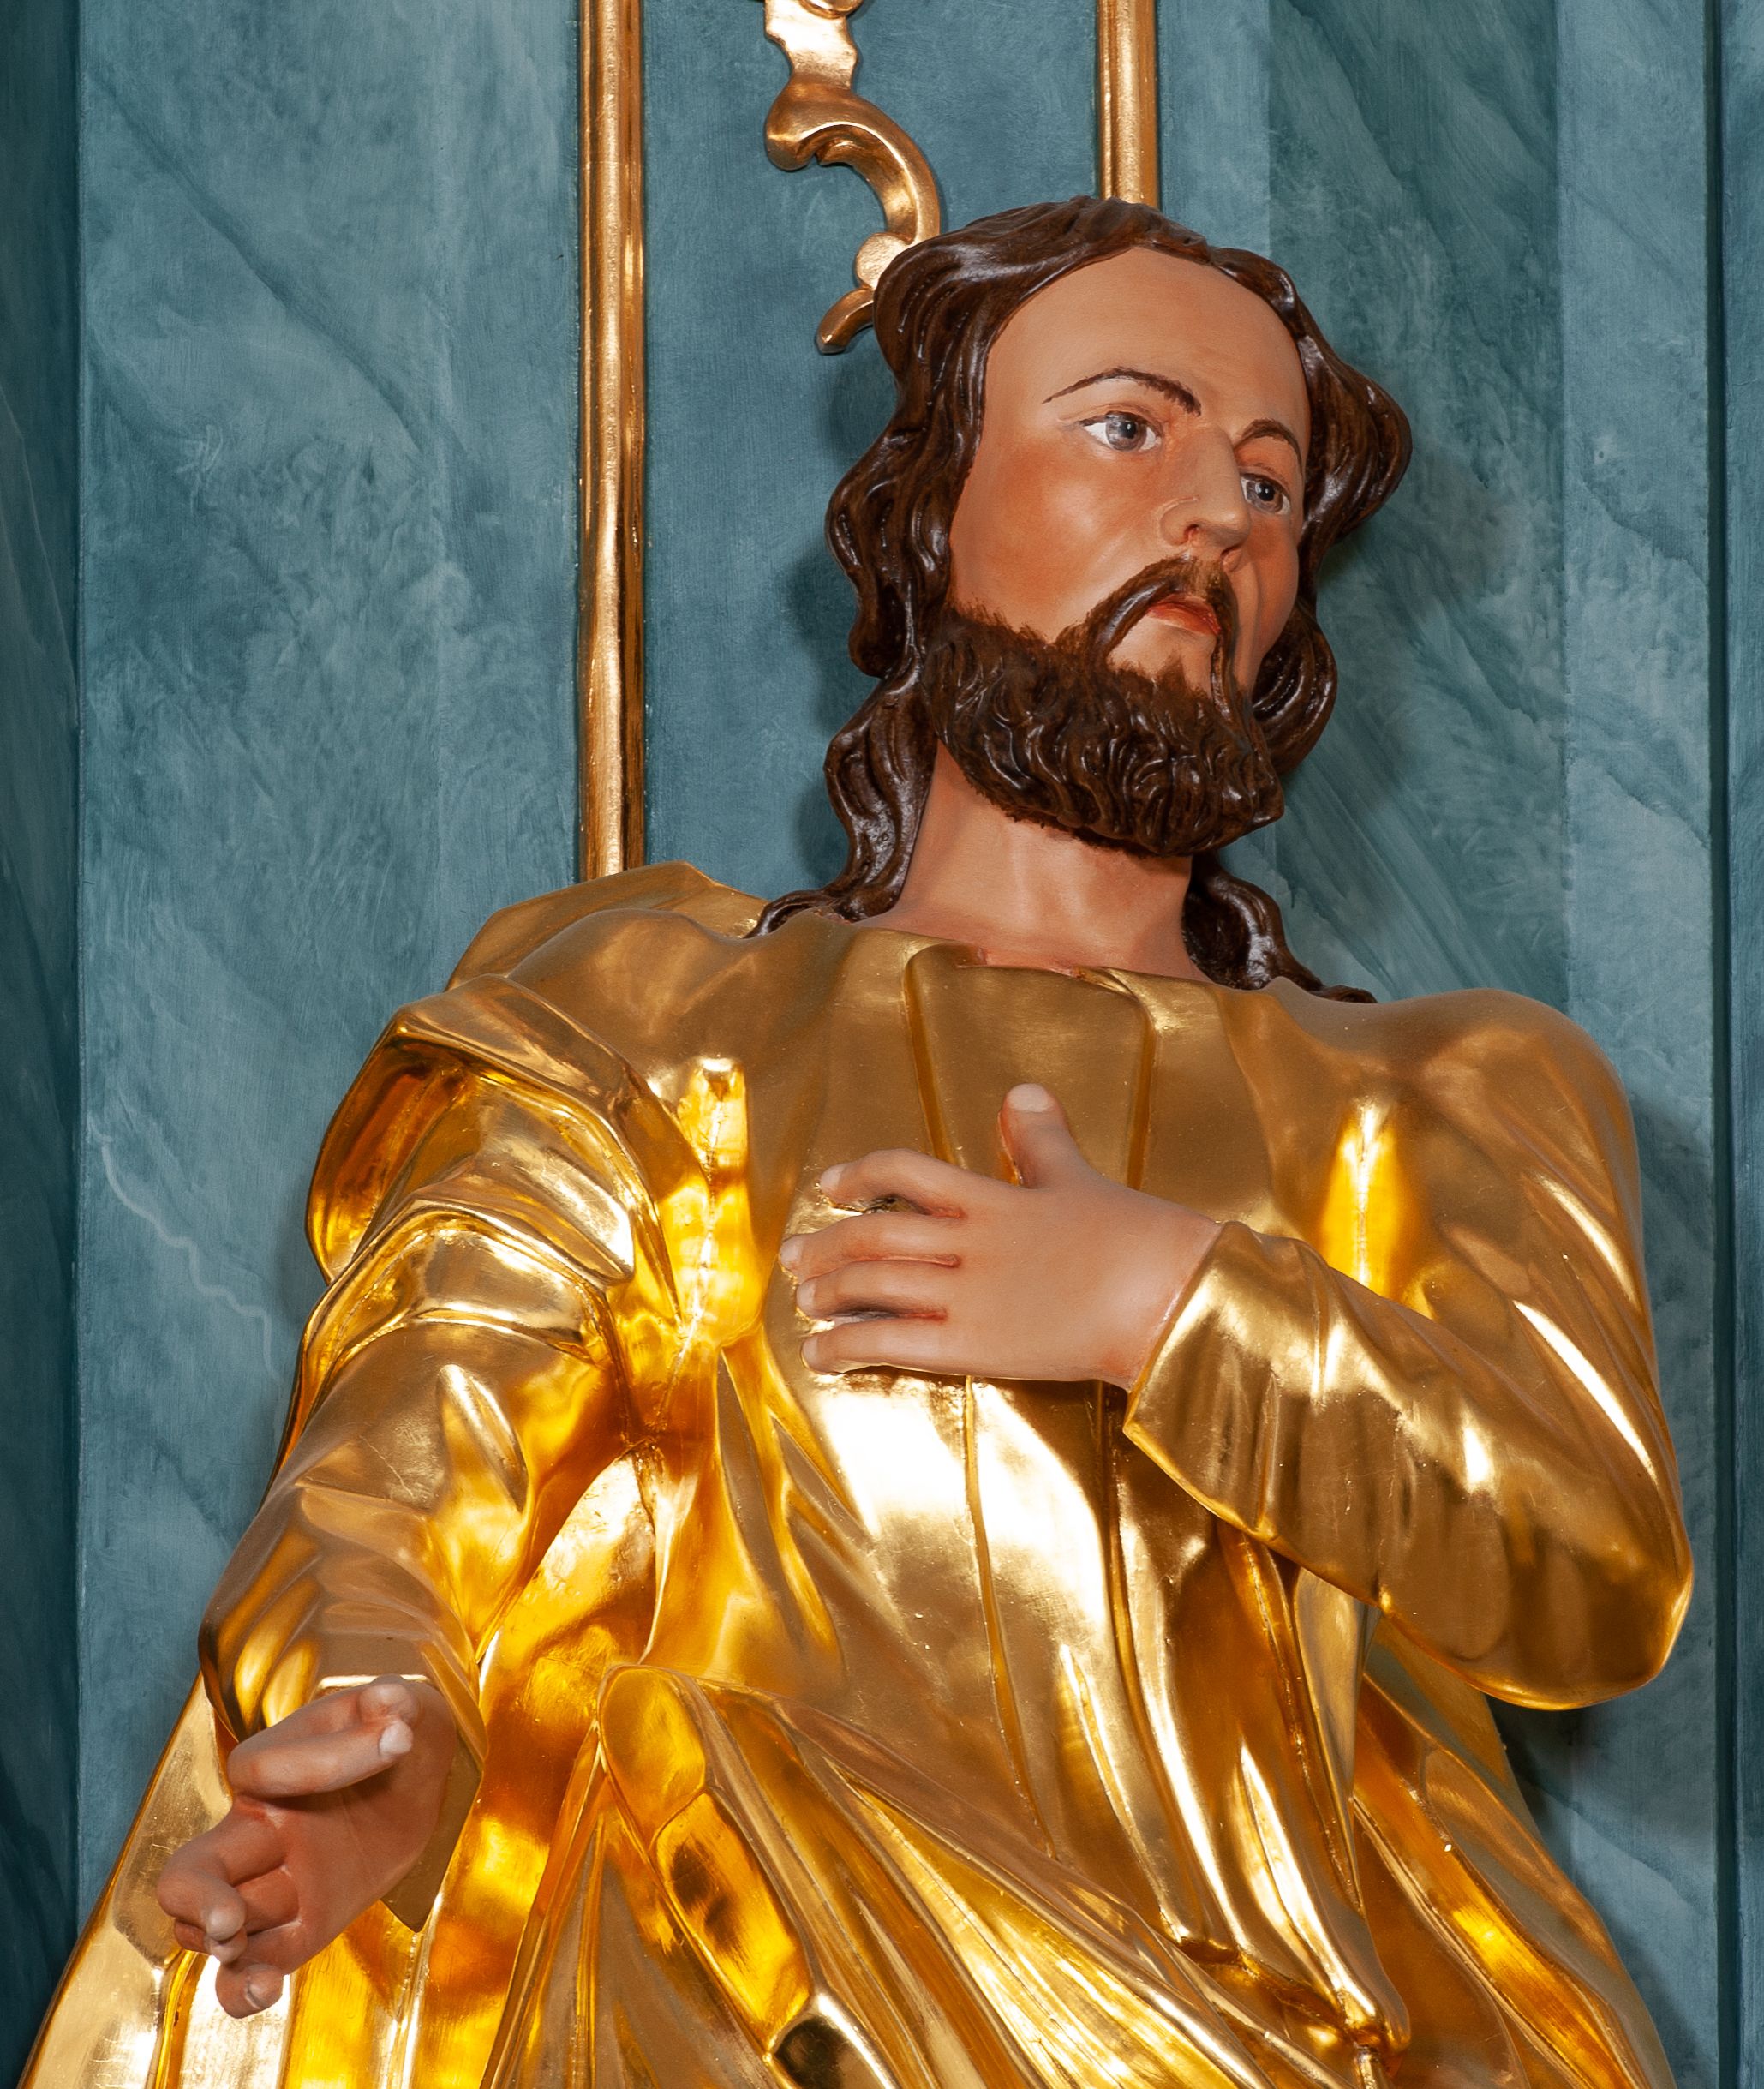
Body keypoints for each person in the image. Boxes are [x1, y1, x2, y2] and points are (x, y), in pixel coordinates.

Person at [27, 197, 1691, 2089]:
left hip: (1308, 2028)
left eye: (1267, 482)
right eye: (1129, 428)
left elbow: (1588, 1569)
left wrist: (1170, 1303)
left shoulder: (1448, 1087)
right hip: (753, 1972)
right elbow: (421, 1442)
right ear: (930, 506)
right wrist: (383, 1740)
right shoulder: (654, 1013)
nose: (1217, 520)